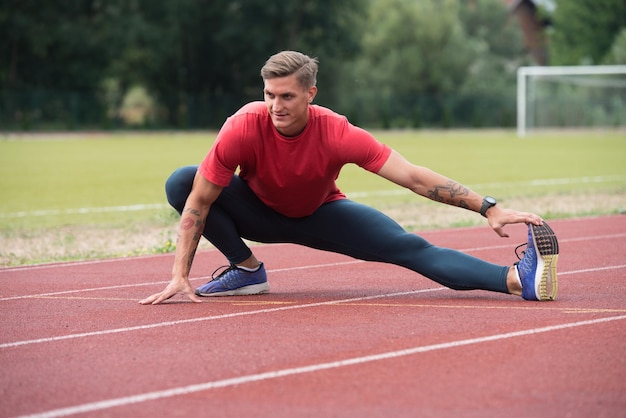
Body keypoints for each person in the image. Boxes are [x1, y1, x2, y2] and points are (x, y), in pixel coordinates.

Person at [139, 51, 559, 306]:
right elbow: (197, 201)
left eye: (286, 96)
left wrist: (489, 207)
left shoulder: (337, 131)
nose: (275, 105)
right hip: (258, 211)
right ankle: (247, 270)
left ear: (310, 93)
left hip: (321, 213)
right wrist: (180, 273)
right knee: (183, 181)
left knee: (409, 248)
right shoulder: (243, 125)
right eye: (269, 95)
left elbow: (412, 176)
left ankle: (516, 279)